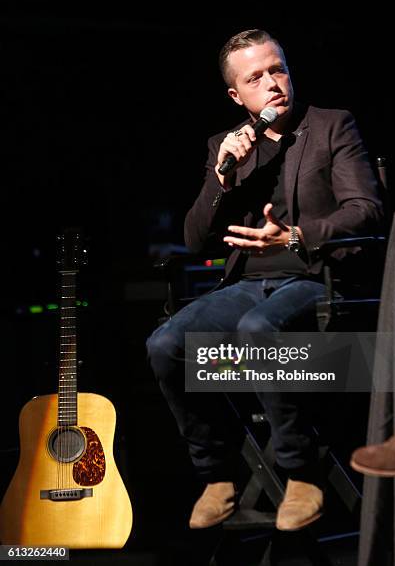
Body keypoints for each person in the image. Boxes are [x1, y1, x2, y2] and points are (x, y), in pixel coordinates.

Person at [147, 29, 383, 531]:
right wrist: (222, 176)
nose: (273, 83)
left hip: (318, 280)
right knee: (165, 342)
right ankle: (217, 474)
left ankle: (301, 473)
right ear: (237, 95)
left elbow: (365, 211)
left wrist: (295, 235)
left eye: (277, 69)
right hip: (248, 285)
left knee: (257, 330)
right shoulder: (227, 146)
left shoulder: (331, 126)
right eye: (256, 77)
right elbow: (194, 241)